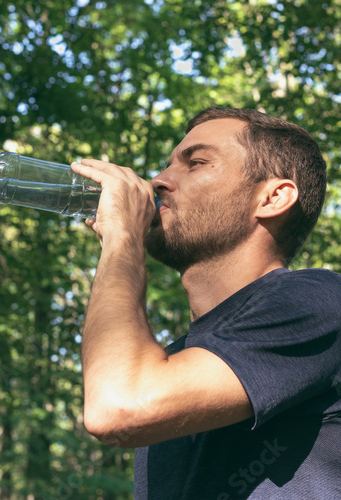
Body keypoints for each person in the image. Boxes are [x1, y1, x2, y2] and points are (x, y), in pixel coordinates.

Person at [71, 107, 341, 499]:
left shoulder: (320, 299)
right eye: (166, 166)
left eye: (195, 163)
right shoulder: (172, 361)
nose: (159, 181)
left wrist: (122, 238)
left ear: (273, 198)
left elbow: (118, 403)